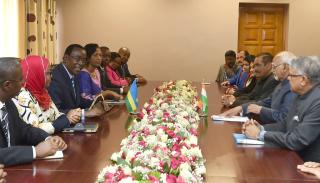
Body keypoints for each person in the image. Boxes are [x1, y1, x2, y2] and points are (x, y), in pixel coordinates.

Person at [242, 56, 320, 162]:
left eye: (292, 75)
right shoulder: (301, 94)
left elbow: (298, 140)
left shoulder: (317, 102)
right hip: (292, 157)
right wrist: (261, 128)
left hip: (305, 165)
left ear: (303, 80)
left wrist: (260, 135)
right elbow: (285, 124)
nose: (288, 78)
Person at [0, 57, 67, 166]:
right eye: (21, 79)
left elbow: (24, 130)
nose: (24, 81)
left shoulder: (7, 102)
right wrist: (35, 151)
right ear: (7, 85)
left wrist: (49, 139)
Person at [220, 51, 297, 124]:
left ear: (285, 67)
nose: (273, 70)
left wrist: (262, 130)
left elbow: (284, 118)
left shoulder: (290, 86)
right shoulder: (281, 84)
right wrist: (240, 107)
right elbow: (264, 102)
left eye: (275, 66)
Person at [12, 56, 80, 134]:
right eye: (47, 73)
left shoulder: (43, 92)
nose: (51, 76)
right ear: (36, 74)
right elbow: (35, 129)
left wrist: (70, 116)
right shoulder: (22, 96)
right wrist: (66, 120)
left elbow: (56, 115)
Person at [49, 44, 120, 117]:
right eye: (77, 59)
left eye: (83, 60)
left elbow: (79, 102)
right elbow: (54, 112)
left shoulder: (74, 73)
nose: (81, 63)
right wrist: (84, 113)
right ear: (66, 58)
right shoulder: (55, 78)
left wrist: (97, 103)